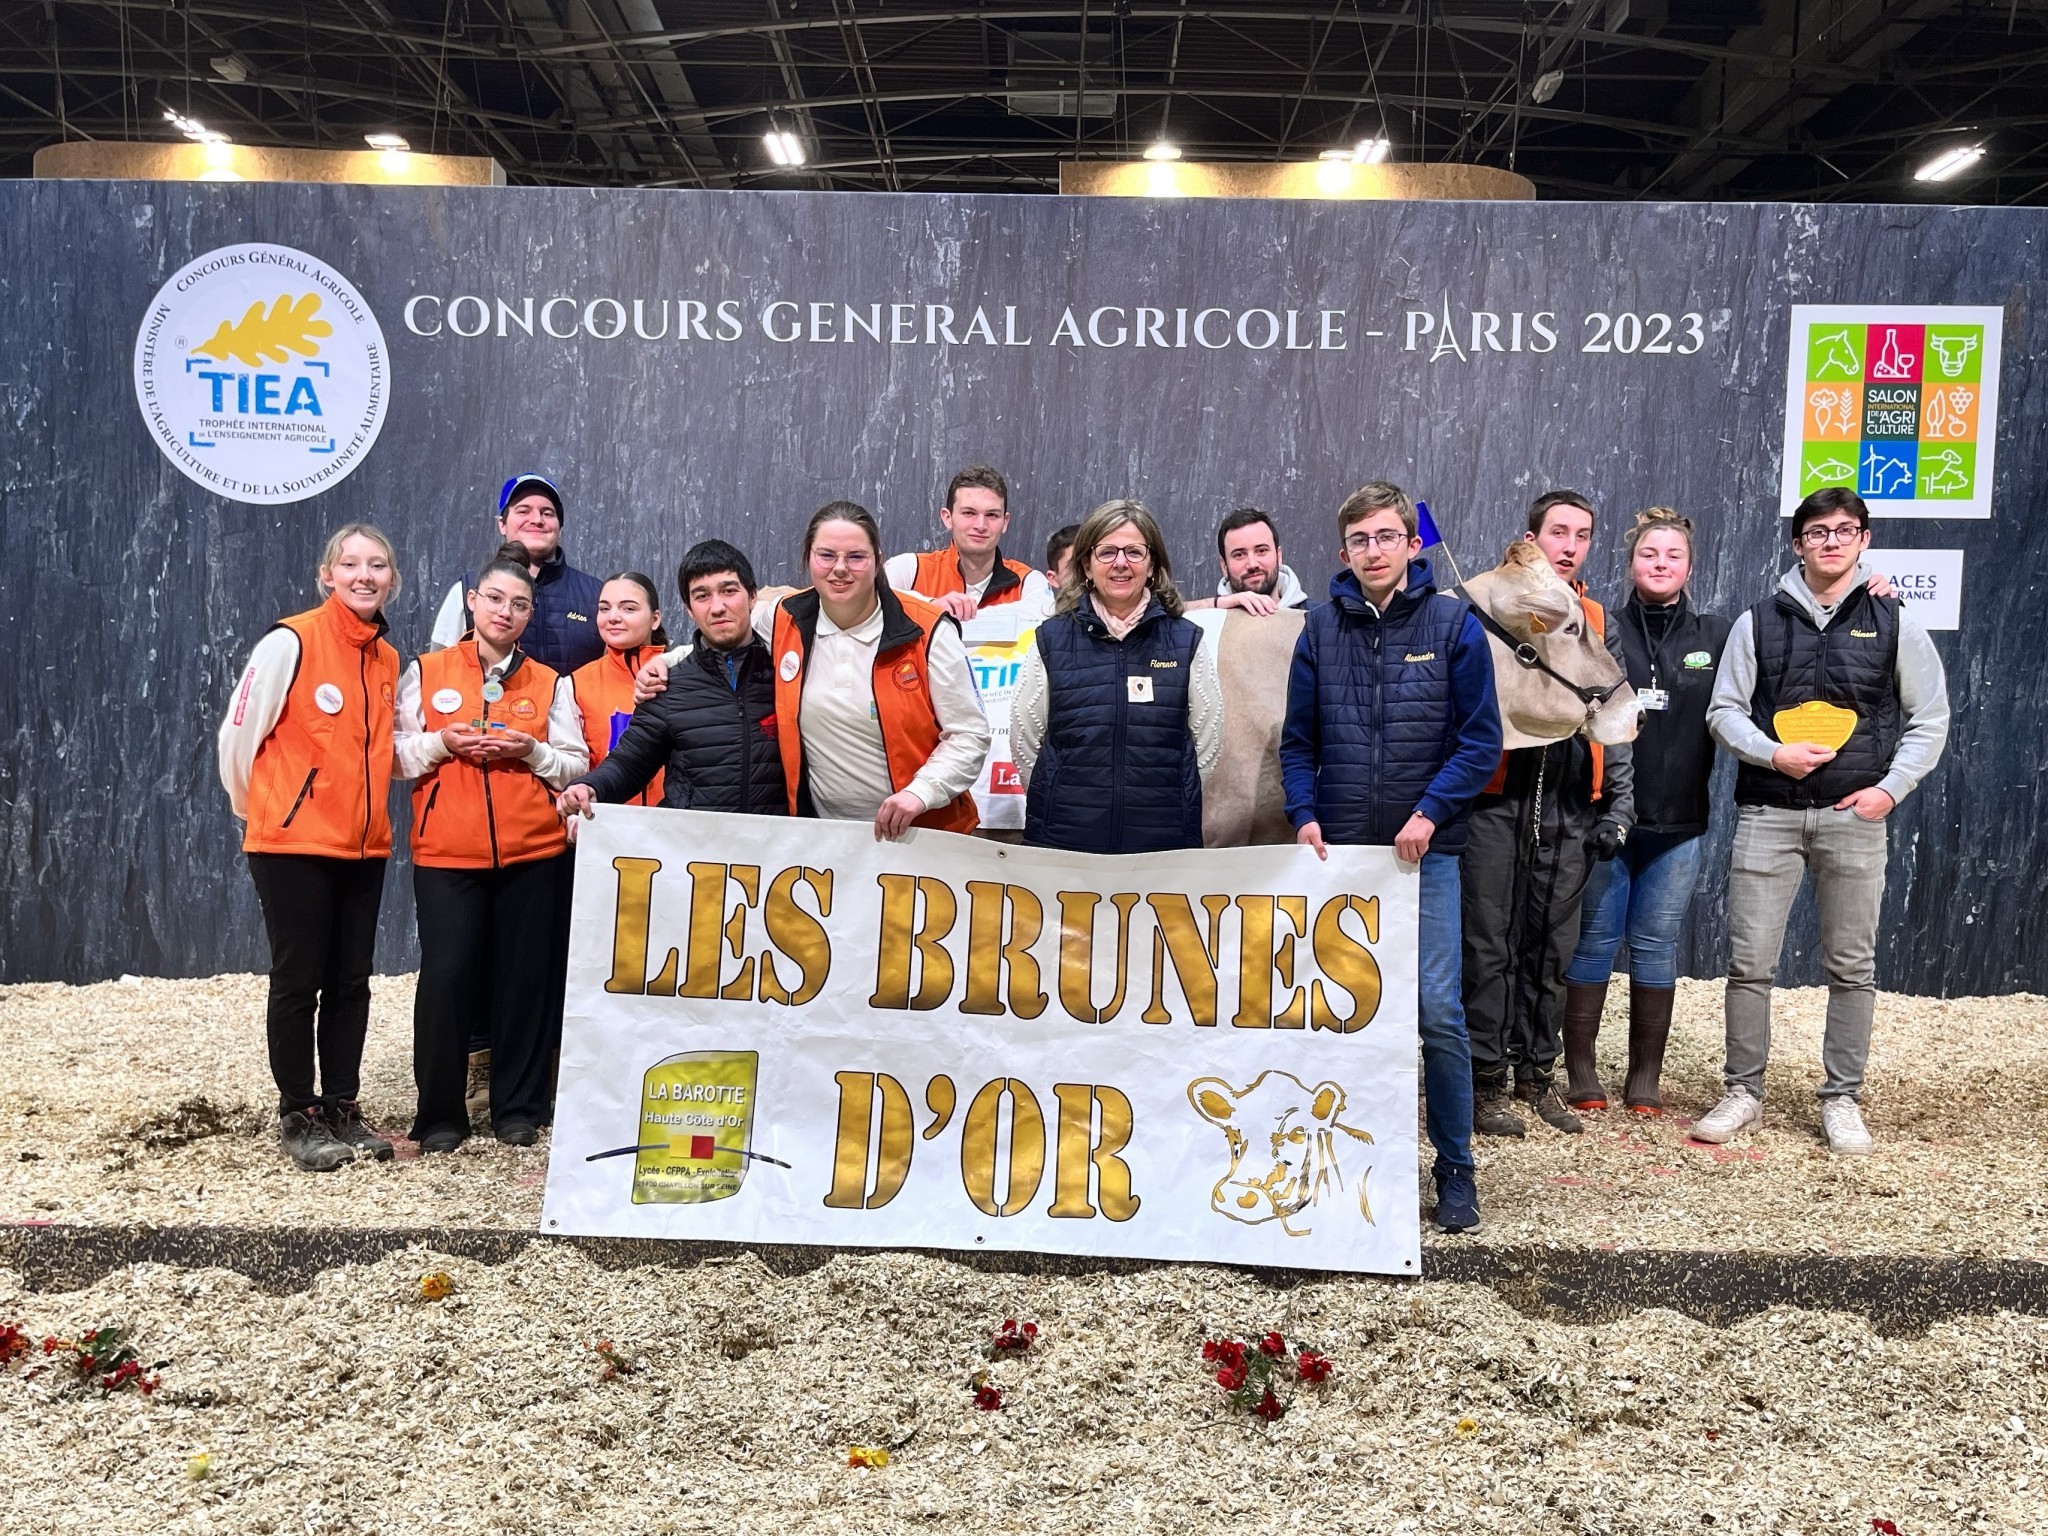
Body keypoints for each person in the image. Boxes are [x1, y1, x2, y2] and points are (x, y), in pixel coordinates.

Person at [1695, 487, 1949, 1155]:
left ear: (1863, 539)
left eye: (1844, 530)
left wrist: (1889, 792)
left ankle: (1841, 1098)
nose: (1830, 541)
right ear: (1797, 543)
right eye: (1816, 532)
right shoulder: (1758, 621)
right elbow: (1724, 712)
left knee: (1851, 967)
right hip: (1768, 815)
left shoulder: (1895, 620)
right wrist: (1772, 753)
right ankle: (1743, 1091)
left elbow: (1931, 720)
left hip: (1855, 817)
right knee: (1749, 964)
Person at [1281, 482, 1501, 1233]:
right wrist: (1304, 815)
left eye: (1387, 537)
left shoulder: (1453, 623)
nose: (1374, 551)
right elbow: (1298, 743)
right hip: (1339, 860)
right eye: (1360, 541)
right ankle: (1339, 1171)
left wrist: (1429, 813)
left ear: (1412, 545)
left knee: (1437, 1015)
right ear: (1344, 553)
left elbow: (1480, 743)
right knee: (1339, 1018)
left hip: (1425, 858)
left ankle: (1456, 1169)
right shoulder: (1316, 630)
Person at [217, 525, 404, 1172]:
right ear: (327, 575)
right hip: (291, 843)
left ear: (392, 580)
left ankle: (342, 1108)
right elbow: (237, 737)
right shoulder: (289, 640)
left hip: (362, 847)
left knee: (351, 981)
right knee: (299, 981)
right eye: (350, 563)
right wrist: (266, 812)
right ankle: (298, 1113)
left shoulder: (387, 659)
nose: (363, 574)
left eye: (377, 565)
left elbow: (384, 752)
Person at [638, 504, 990, 839]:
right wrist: (666, 661)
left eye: (856, 556)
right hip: (825, 839)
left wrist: (920, 793)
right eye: (826, 555)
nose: (840, 568)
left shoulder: (928, 630)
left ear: (878, 560)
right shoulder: (783, 618)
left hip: (924, 834)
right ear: (808, 559)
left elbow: (969, 734)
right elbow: (729, 634)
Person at [396, 542, 589, 1152]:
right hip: (446, 853)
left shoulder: (549, 682)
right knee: (448, 977)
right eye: (496, 600)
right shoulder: (425, 672)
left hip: (532, 854)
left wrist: (529, 752)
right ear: (473, 603)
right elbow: (394, 755)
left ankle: (519, 1110)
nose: (506, 612)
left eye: (521, 605)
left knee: (524, 980)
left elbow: (575, 764)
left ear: (530, 616)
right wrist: (440, 743)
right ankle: (440, 1115)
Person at [1462, 490, 1635, 1139]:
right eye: (1557, 532)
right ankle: (1484, 1083)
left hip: (1565, 799)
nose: (1569, 544)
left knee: (1550, 948)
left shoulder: (1594, 615)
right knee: (1488, 942)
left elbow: (1613, 709)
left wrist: (1618, 803)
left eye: (1582, 534)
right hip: (1495, 798)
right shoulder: (1490, 612)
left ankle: (1537, 1075)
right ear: (1531, 542)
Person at [1560, 510, 1730, 1116]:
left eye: (1673, 555)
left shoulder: (1717, 634)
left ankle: (1644, 1079)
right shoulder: (1602, 628)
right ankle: (1580, 1069)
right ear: (1631, 563)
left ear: (1689, 565)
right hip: (1607, 820)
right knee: (1596, 941)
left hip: (1680, 823)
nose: (1660, 564)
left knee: (1656, 947)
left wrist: (1874, 583)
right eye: (1649, 554)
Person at [1011, 499, 1221, 853]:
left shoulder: (1186, 641)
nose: (1121, 563)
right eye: (1107, 552)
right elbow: (1025, 743)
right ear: (1087, 566)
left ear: (1152, 564)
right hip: (1063, 840)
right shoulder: (1051, 639)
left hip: (1162, 841)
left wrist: (1171, 796)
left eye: (1134, 552)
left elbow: (1207, 743)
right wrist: (1059, 791)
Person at [557, 541, 787, 819]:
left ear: (752, 597)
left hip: (774, 852)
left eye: (728, 591)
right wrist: (589, 786)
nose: (717, 607)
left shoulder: (788, 674)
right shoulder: (666, 684)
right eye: (701, 596)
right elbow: (629, 762)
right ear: (689, 609)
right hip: (691, 851)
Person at [430, 474, 605, 674]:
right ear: (502, 524)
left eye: (547, 513)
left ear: (560, 528)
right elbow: (439, 670)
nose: (537, 520)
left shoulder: (597, 595)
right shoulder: (469, 588)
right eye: (523, 511)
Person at [883, 465, 1055, 621]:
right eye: (969, 513)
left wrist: (951, 616)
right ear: (947, 518)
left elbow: (1044, 612)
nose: (981, 525)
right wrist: (932, 605)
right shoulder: (910, 568)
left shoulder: (1028, 580)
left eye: (992, 515)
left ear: (1005, 522)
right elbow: (871, 600)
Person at [567, 573, 672, 809]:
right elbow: (573, 764)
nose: (613, 617)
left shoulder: (681, 674)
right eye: (604, 609)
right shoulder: (575, 684)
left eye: (628, 609)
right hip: (606, 824)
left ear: (655, 619)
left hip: (674, 824)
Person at [1186, 507, 1311, 614]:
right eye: (1239, 554)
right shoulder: (1204, 622)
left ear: (1279, 556)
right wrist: (1218, 604)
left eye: (1261, 551)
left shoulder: (1316, 620)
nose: (1252, 564)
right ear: (1224, 566)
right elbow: (1168, 615)